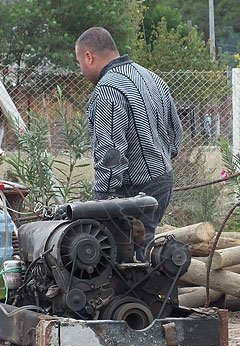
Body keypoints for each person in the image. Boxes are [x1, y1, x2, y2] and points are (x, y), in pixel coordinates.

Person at [75, 27, 183, 259]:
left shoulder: (107, 91)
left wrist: (101, 204)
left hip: (133, 193)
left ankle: (139, 295)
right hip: (163, 183)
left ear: (88, 57)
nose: (81, 69)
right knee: (145, 249)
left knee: (123, 261)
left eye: (79, 62)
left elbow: (111, 154)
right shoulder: (152, 78)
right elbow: (176, 137)